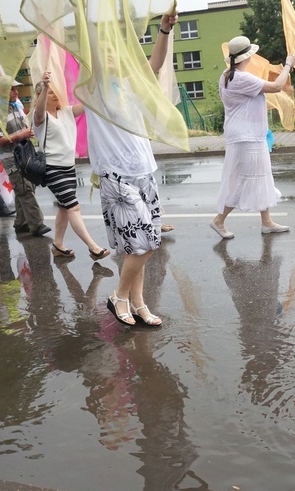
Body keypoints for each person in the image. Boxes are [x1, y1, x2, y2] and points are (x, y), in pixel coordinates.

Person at [87, 13, 179, 327]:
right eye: (106, 51)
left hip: (144, 169)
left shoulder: (129, 83)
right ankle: (119, 295)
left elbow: (155, 63)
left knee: (138, 243)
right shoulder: (91, 87)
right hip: (115, 173)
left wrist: (165, 29)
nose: (113, 54)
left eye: (116, 50)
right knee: (147, 243)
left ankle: (138, 301)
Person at [210, 36, 295, 240]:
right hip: (246, 137)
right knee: (243, 180)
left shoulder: (228, 75)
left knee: (260, 177)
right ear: (247, 56)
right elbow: (276, 86)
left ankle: (266, 222)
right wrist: (288, 66)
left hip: (248, 136)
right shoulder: (240, 78)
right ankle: (218, 220)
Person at [32, 71, 109, 262]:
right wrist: (45, 86)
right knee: (73, 208)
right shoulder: (39, 118)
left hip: (68, 168)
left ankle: (58, 244)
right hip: (52, 168)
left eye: (55, 91)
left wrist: (98, 82)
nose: (54, 95)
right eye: (50, 93)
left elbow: (89, 105)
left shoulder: (66, 112)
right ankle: (93, 247)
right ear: (41, 95)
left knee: (63, 208)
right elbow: (40, 111)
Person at [0, 80, 51, 237]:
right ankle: (37, 224)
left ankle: (21, 223)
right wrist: (19, 135)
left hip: (24, 155)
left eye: (16, 89)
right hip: (11, 159)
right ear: (3, 92)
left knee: (25, 188)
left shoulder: (15, 107)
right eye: (12, 89)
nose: (16, 92)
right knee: (25, 190)